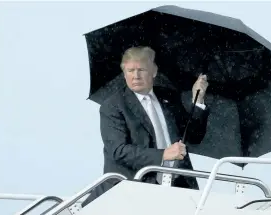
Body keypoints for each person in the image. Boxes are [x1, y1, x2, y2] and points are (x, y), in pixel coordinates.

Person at [82, 46, 209, 207]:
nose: (135, 76)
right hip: (132, 190)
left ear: (154, 71)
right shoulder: (113, 106)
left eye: (141, 69)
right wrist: (163, 154)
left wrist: (198, 99)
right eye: (130, 70)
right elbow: (118, 151)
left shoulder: (168, 97)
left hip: (178, 189)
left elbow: (194, 136)